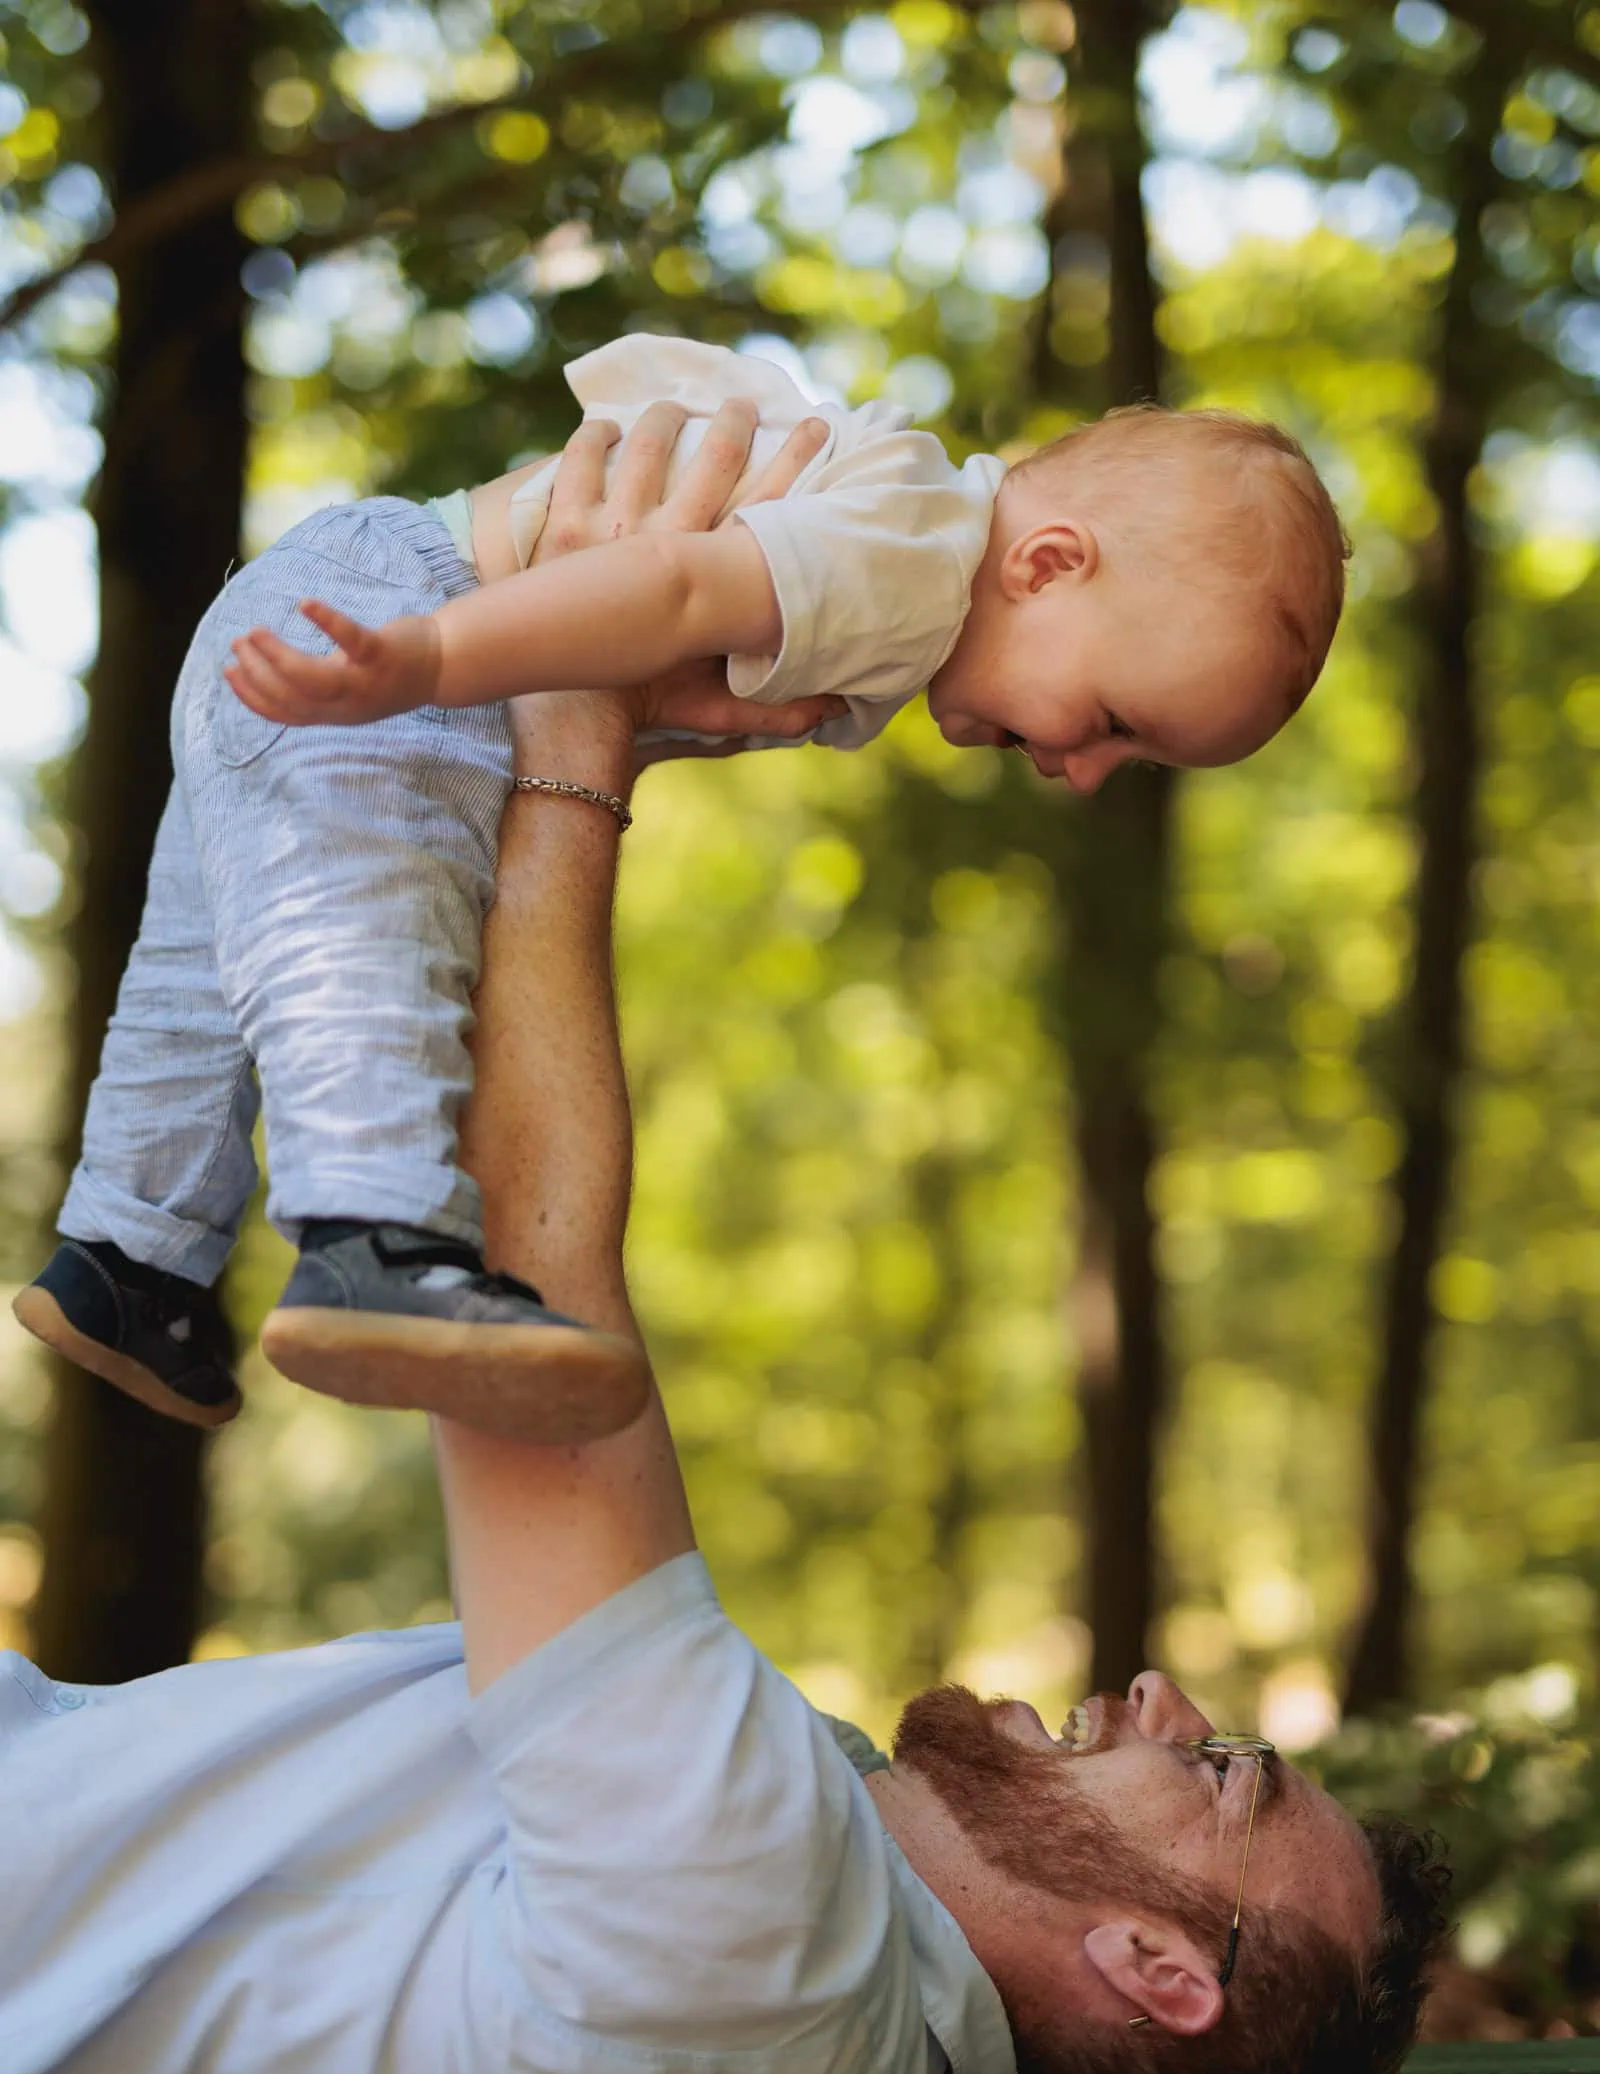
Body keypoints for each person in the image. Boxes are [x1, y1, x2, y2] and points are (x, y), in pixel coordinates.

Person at [0, 437, 1445, 2074]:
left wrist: (574, 728)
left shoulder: (772, 1945)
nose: (1165, 1693)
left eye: (1222, 1774)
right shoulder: (817, 1886)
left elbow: (526, 1318)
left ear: (1160, 1967)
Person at [16, 334, 1350, 1446]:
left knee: (203, 971)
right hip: (400, 618)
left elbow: (654, 659)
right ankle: (377, 1239)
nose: (1082, 770)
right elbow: (665, 580)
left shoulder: (907, 565)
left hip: (333, 599)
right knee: (370, 945)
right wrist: (423, 660)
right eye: (1114, 719)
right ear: (1048, 562)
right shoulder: (916, 559)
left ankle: (129, 1258)